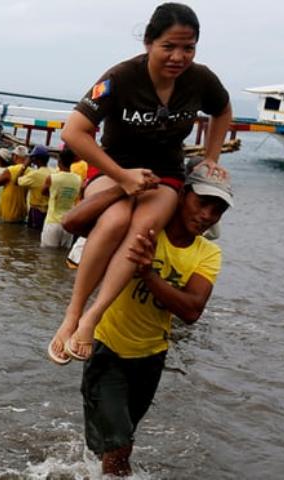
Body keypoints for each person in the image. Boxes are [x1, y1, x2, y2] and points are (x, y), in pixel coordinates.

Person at [50, 2, 232, 361]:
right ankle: (71, 314)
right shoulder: (121, 77)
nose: (179, 57)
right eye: (169, 46)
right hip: (114, 165)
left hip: (165, 171)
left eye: (188, 48)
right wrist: (122, 177)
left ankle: (93, 316)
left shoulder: (201, 79)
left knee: (142, 229)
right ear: (149, 42)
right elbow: (74, 132)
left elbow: (222, 110)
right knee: (115, 219)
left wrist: (212, 158)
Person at [61, 164, 233, 476]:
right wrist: (122, 186)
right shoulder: (141, 228)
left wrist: (148, 275)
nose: (207, 215)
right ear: (181, 195)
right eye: (202, 203)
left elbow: (192, 310)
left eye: (217, 210)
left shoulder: (208, 253)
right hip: (107, 349)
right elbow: (72, 222)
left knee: (120, 438)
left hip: (151, 358)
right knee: (120, 445)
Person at [40, 150, 82, 247]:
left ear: (59, 161)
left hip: (52, 222)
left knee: (47, 255)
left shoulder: (52, 178)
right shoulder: (78, 179)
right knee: (62, 255)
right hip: (68, 223)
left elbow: (43, 192)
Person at [0, 145, 28, 223]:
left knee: (4, 231)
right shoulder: (29, 170)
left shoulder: (11, 170)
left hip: (9, 209)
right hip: (21, 209)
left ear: (15, 156)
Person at [18, 145, 53, 230]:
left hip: (36, 211)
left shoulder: (34, 174)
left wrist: (24, 167)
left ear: (36, 159)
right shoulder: (54, 171)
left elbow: (18, 181)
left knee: (32, 234)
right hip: (49, 211)